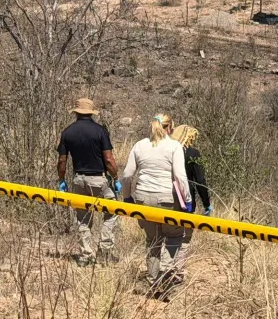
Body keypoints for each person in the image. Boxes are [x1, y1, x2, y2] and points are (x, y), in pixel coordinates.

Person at [122, 114, 191, 292]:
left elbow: (128, 175)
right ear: (170, 128)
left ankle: (153, 281)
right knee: (174, 236)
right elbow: (180, 176)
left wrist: (127, 196)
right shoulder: (174, 146)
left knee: (152, 240)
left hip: (144, 199)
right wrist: (188, 201)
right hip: (167, 199)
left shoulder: (140, 145)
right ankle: (166, 276)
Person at [56, 98, 120, 266]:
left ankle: (85, 255)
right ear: (92, 113)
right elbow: (109, 159)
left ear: (76, 112)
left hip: (79, 179)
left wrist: (62, 179)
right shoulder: (100, 131)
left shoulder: (67, 132)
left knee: (82, 218)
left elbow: (62, 161)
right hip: (99, 179)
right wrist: (115, 178)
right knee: (112, 212)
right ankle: (104, 251)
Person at [171, 124, 213, 280]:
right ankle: (178, 270)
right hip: (186, 199)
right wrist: (207, 203)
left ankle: (166, 266)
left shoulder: (167, 149)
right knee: (184, 237)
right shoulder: (193, 153)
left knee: (167, 234)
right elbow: (200, 180)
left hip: (167, 196)